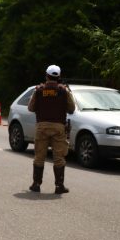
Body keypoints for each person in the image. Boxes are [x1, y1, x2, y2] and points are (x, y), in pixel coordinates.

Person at [27, 64, 76, 194]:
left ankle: (36, 184)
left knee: (39, 156)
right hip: (58, 127)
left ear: (46, 76)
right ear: (58, 77)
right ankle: (59, 186)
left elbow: (31, 108)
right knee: (59, 158)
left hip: (41, 126)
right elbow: (71, 109)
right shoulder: (63, 91)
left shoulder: (39, 90)